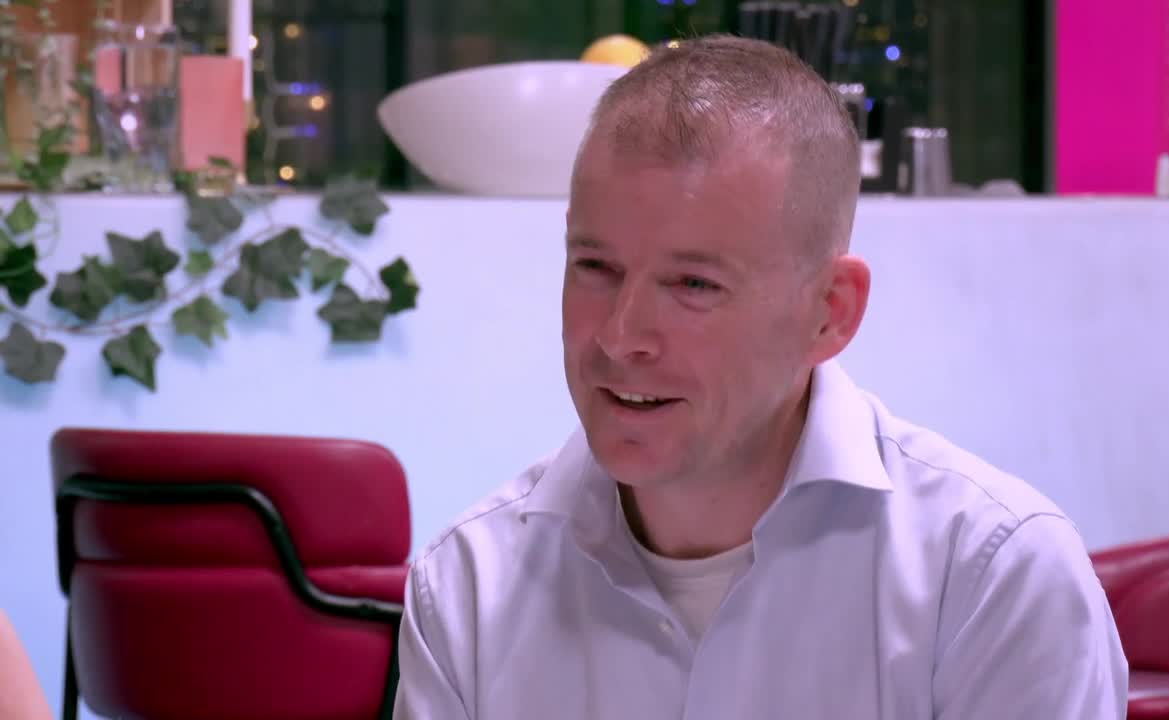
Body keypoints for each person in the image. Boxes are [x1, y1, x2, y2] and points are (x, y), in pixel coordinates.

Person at [394, 35, 1128, 719]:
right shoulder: (467, 592)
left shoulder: (992, 581)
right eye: (595, 267)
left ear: (830, 312)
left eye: (694, 284)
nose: (620, 336)